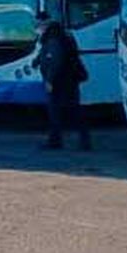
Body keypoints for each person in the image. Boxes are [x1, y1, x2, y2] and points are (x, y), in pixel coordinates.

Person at [33, 11, 90, 150]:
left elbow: (55, 60)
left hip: (61, 80)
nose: (37, 27)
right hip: (69, 78)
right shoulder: (61, 34)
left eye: (38, 24)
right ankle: (81, 140)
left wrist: (49, 81)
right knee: (71, 110)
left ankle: (57, 141)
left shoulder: (53, 38)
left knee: (58, 111)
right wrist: (37, 61)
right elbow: (47, 54)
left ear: (44, 23)